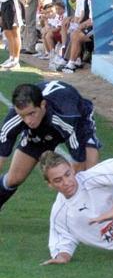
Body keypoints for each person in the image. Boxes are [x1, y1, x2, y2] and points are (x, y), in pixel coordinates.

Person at [0, 81, 101, 211]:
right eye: (22, 115)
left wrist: (70, 190)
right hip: (42, 128)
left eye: (31, 113)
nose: (28, 121)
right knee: (14, 178)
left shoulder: (67, 117)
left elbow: (78, 162)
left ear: (43, 105)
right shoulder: (17, 117)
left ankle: (85, 213)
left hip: (79, 122)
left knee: (89, 174)